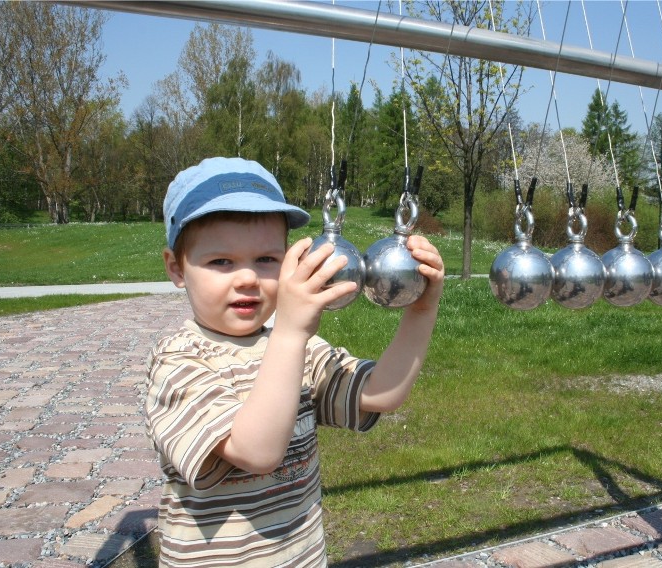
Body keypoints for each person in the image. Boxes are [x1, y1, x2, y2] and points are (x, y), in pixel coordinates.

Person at [145, 157, 444, 567]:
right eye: (221, 262)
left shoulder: (296, 346)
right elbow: (256, 451)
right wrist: (289, 333)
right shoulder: (178, 362)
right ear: (176, 268)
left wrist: (421, 310)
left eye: (266, 259)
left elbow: (381, 392)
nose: (247, 278)